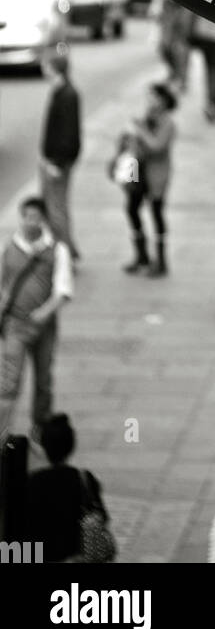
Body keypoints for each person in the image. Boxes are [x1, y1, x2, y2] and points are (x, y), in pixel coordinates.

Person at [0, 197, 73, 443]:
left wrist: (44, 313)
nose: (32, 222)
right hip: (15, 325)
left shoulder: (56, 250)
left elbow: (63, 289)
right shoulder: (9, 248)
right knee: (9, 381)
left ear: (43, 219)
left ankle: (40, 431)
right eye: (27, 217)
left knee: (43, 380)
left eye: (36, 217)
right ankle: (2, 433)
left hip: (44, 328)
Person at [25, 413, 111, 563]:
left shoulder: (33, 482)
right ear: (71, 446)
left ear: (44, 447)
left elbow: (25, 524)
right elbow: (102, 516)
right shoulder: (83, 479)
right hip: (77, 556)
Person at [121, 83, 176, 277]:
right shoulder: (146, 117)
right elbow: (136, 144)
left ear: (162, 100)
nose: (149, 101)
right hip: (138, 171)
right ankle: (141, 255)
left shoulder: (168, 122)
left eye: (152, 97)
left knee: (156, 213)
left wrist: (140, 130)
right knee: (131, 208)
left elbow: (156, 146)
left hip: (156, 175)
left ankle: (161, 261)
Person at [38, 51, 82, 264]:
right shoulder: (61, 92)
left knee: (56, 210)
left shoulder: (66, 95)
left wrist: (58, 163)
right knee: (54, 208)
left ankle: (66, 254)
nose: (43, 69)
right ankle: (66, 249)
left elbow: (69, 134)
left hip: (57, 162)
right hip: (53, 160)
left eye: (47, 65)